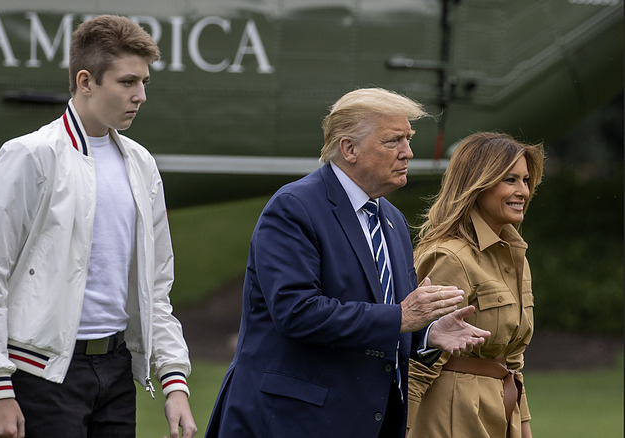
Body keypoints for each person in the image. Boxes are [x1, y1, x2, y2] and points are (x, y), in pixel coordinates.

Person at [0, 15, 197, 438]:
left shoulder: (142, 165)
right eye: (127, 82)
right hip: (41, 375)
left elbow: (156, 286)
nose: (140, 95)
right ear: (86, 81)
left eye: (144, 82)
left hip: (118, 371)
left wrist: (174, 379)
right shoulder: (29, 156)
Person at [204, 88, 491, 438]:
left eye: (408, 139)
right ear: (348, 148)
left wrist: (426, 333)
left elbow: (386, 317)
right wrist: (401, 317)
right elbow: (297, 312)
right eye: (393, 141)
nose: (408, 153)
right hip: (291, 422)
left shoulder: (392, 220)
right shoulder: (294, 207)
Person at [406, 132, 545, 438]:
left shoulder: (515, 253)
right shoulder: (449, 257)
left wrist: (522, 427)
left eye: (525, 180)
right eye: (510, 180)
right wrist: (399, 428)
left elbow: (511, 359)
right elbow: (418, 356)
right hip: (452, 415)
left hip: (500, 410)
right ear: (478, 183)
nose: (523, 190)